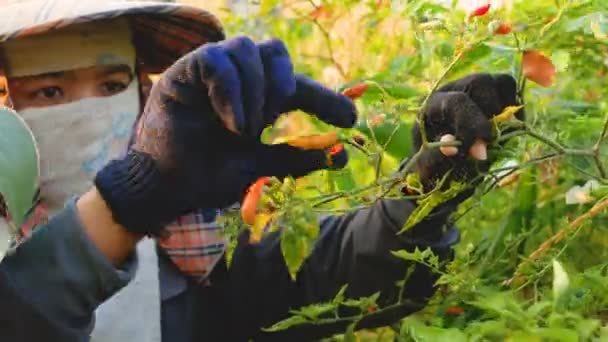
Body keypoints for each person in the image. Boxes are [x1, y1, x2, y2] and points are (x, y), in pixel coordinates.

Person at [0, 0, 523, 341]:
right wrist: (126, 203)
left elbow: (329, 271)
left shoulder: (191, 245)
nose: (90, 114)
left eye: (112, 85)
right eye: (49, 92)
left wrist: (420, 197)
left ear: (142, 90)